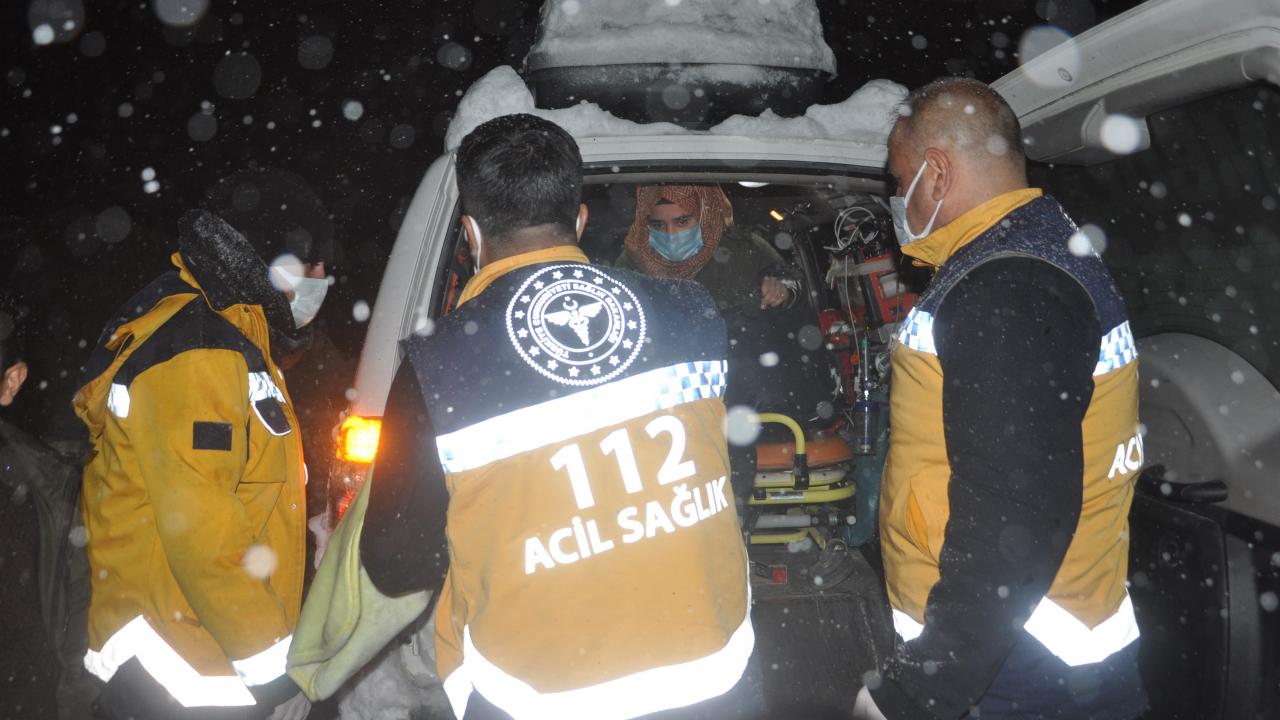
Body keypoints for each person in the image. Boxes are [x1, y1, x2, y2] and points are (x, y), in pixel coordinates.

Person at [358, 113, 757, 719]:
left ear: (470, 233)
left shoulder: (438, 364)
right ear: (580, 220)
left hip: (534, 698)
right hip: (715, 680)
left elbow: (395, 561)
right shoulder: (692, 312)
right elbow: (736, 475)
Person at [853, 78, 1146, 720]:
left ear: (936, 172)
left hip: (1019, 655)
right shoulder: (1037, 250)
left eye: (900, 181)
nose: (897, 198)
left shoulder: (1007, 286)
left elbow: (1016, 507)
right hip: (1032, 638)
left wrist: (920, 688)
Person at [74, 169, 335, 720]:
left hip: (201, 650)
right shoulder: (199, 349)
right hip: (176, 667)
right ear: (273, 257)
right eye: (313, 265)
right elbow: (201, 523)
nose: (322, 280)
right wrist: (273, 668)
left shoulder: (232, 336)